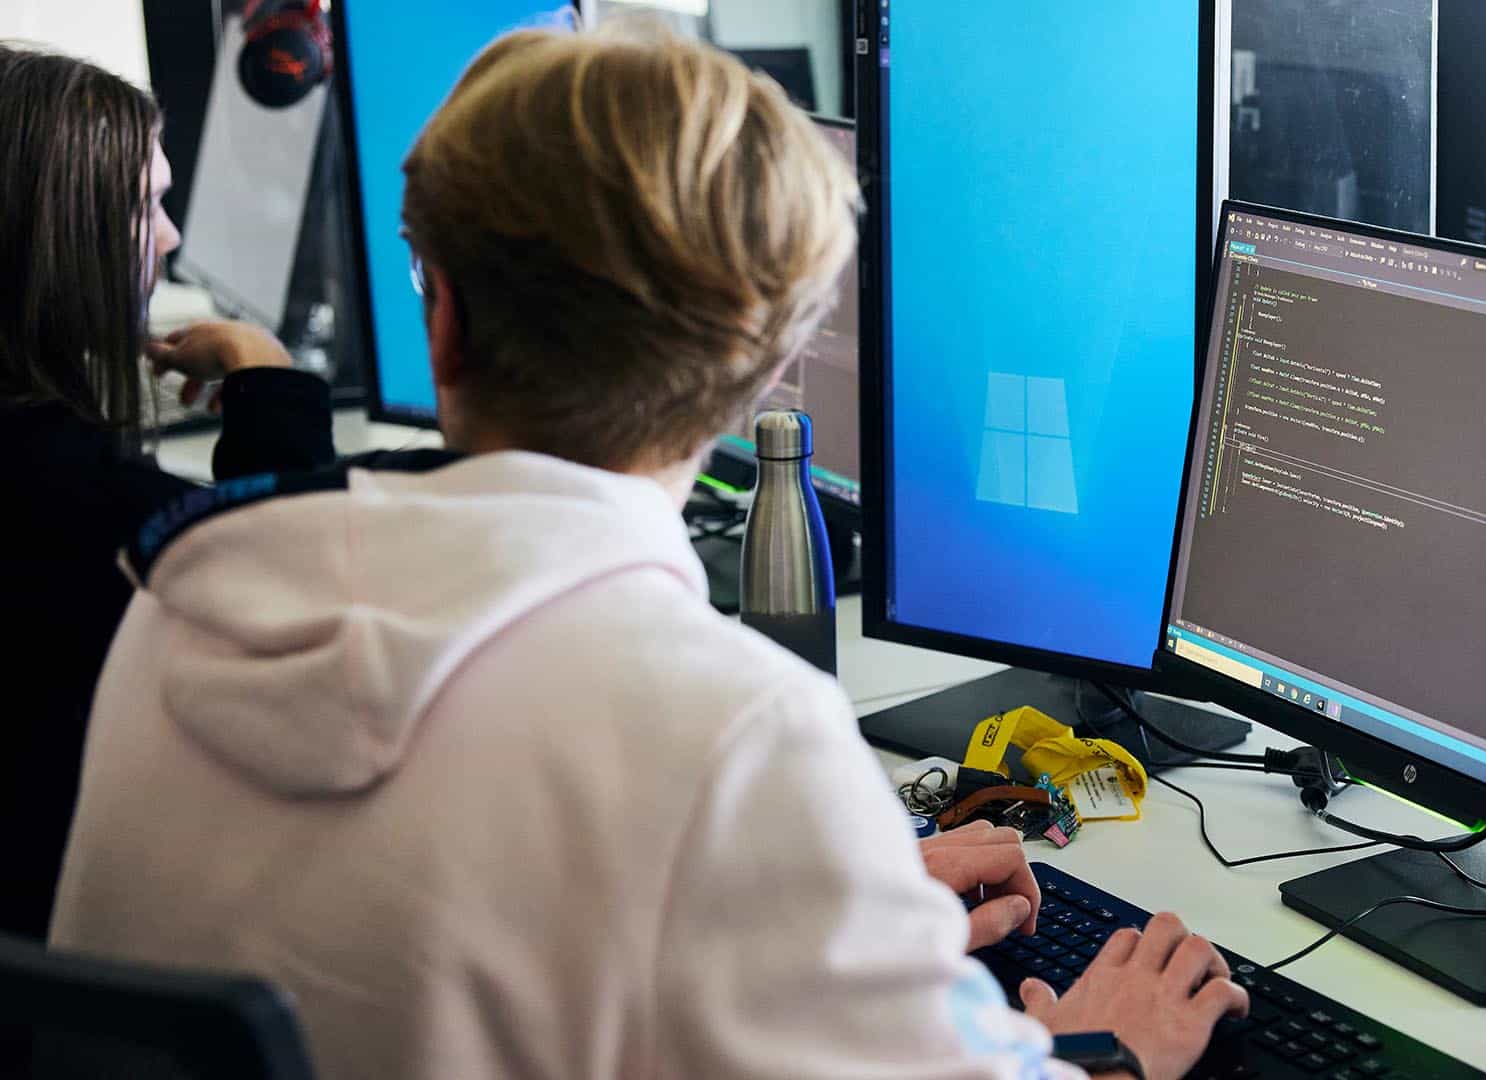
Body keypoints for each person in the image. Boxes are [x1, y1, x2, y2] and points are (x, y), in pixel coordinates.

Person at [50, 25, 1246, 1079]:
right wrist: (1113, 1051)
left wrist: (816, 900)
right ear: (762, 373)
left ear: (444, 313)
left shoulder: (180, 605)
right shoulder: (733, 735)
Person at [0, 43, 336, 943]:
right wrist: (269, 383)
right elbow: (301, 616)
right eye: (147, 205)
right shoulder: (84, 508)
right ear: (58, 242)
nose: (172, 236)